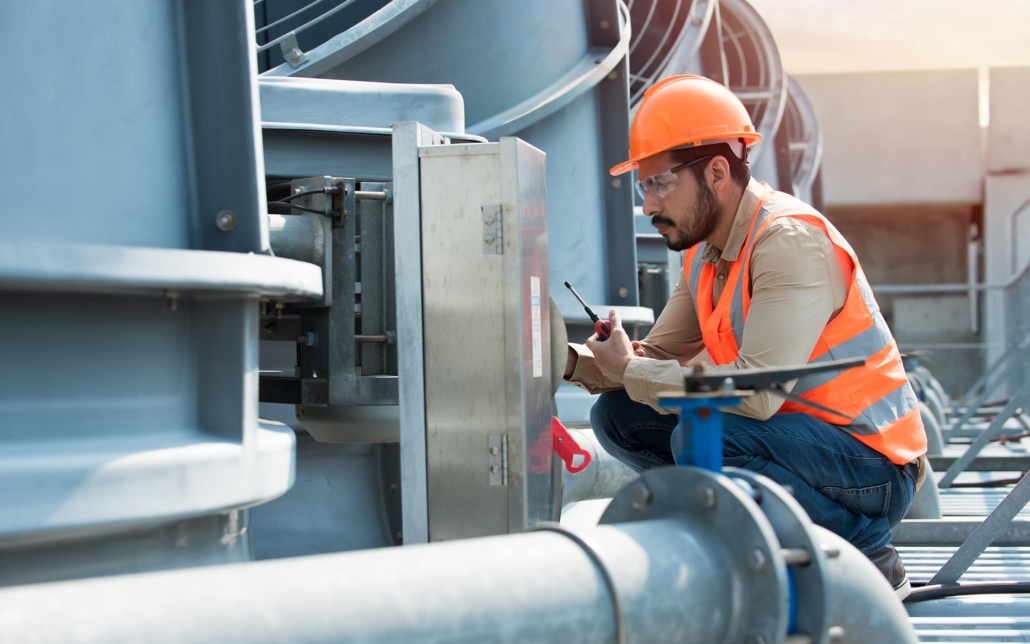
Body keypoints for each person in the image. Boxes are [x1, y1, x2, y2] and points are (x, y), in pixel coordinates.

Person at [564, 75, 927, 598]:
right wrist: (567, 359)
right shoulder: (704, 252)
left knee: (704, 433)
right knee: (618, 415)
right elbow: (655, 358)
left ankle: (866, 550)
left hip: (870, 465)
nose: (648, 205)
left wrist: (632, 369)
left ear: (716, 172)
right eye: (643, 186)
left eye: (661, 182)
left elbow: (755, 394)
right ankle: (734, 539)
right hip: (789, 441)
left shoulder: (788, 241)